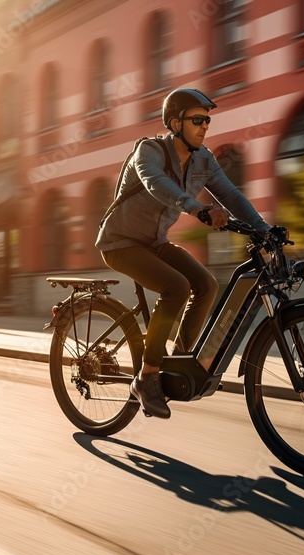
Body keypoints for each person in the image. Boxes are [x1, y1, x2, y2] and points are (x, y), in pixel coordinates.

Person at [96, 87, 270, 419]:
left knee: (206, 284)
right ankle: (147, 378)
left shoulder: (204, 159)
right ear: (175, 122)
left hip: (155, 242)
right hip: (120, 243)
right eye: (198, 119)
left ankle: (178, 363)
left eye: (207, 120)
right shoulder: (149, 150)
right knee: (176, 287)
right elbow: (154, 182)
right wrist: (196, 208)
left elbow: (231, 195)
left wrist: (263, 228)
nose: (205, 126)